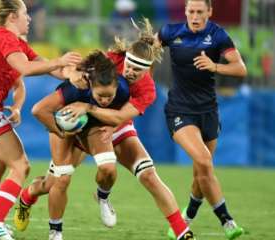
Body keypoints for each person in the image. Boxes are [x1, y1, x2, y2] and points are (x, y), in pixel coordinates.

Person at [14, 18, 196, 240]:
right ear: (124, 58)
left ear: (149, 70)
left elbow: (119, 117)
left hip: (111, 123)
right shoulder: (110, 61)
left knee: (146, 173)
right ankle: (29, 195)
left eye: (138, 70)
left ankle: (180, 231)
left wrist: (88, 107)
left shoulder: (147, 89)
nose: (130, 72)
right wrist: (72, 73)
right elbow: (74, 69)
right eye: (129, 65)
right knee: (56, 181)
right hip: (77, 121)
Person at [0, 1, 81, 240]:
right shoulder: (4, 36)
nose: (30, 18)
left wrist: (72, 73)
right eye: (26, 13)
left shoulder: (15, 41)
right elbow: (24, 67)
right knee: (20, 165)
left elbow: (45, 65)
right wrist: (59, 61)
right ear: (13, 16)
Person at [156, 0, 247, 239]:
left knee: (201, 171)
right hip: (179, 110)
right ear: (185, 11)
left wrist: (214, 66)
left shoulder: (218, 36)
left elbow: (240, 69)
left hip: (208, 111)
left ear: (209, 12)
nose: (195, 16)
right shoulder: (171, 32)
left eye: (200, 12)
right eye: (191, 11)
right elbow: (148, 50)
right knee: (205, 162)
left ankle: (187, 217)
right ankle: (227, 221)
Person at [31, 50, 130, 240]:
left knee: (109, 169)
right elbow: (38, 111)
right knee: (60, 180)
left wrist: (111, 122)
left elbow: (123, 114)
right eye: (100, 96)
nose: (105, 100)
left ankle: (103, 197)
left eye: (109, 97)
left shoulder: (124, 89)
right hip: (63, 125)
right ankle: (53, 230)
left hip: (94, 124)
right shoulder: (75, 88)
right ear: (90, 84)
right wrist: (62, 131)